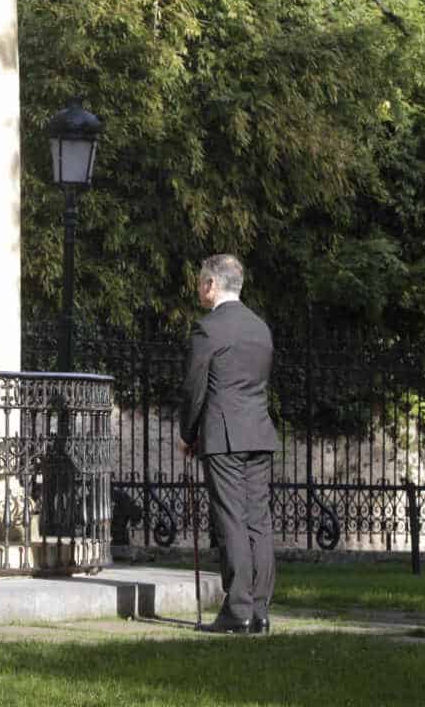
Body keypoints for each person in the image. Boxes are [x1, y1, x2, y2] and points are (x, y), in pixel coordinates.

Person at [180, 253, 279, 635]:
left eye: (201, 281)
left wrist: (188, 434)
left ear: (212, 285)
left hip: (224, 436)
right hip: (258, 432)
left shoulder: (209, 330)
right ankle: (260, 609)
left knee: (232, 518)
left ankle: (237, 610)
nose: (200, 288)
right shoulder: (260, 328)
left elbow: (194, 388)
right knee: (259, 519)